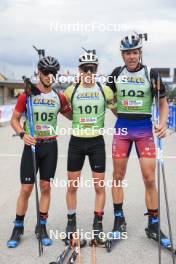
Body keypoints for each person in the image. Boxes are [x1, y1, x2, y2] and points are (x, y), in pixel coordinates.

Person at [107, 32, 169, 244]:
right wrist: (119, 113)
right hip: (123, 128)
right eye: (127, 53)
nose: (131, 57)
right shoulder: (116, 73)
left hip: (144, 129)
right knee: (117, 176)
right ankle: (118, 220)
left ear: (140, 53)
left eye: (134, 52)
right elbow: (108, 99)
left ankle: (153, 224)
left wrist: (161, 124)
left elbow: (163, 103)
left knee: (149, 178)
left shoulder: (152, 74)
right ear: (122, 55)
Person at [7, 56, 71, 248]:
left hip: (50, 146)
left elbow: (72, 115)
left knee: (45, 188)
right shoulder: (26, 95)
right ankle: (18, 227)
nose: (49, 76)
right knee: (26, 189)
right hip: (32, 146)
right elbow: (14, 120)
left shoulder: (58, 97)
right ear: (39, 72)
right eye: (45, 72)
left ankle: (41, 226)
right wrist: (22, 134)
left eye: (53, 73)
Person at [64, 49, 115, 242]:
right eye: (85, 69)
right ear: (79, 69)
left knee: (99, 186)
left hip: (96, 143)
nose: (88, 73)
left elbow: (118, 111)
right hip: (76, 142)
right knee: (72, 186)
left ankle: (97, 225)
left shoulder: (105, 90)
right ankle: (71, 223)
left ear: (96, 69)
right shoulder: (71, 90)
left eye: (91, 69)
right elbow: (62, 109)